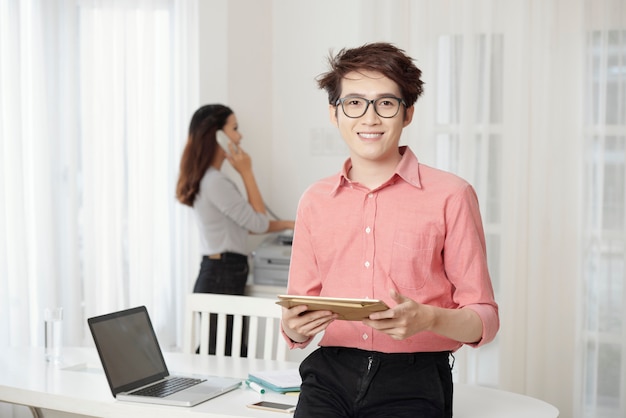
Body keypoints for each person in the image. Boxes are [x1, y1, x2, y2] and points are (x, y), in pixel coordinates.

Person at [280, 43, 499, 418]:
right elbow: (299, 307)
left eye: (385, 103)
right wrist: (295, 329)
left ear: (407, 112)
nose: (369, 118)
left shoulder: (452, 195)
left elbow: (484, 318)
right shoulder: (314, 200)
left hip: (414, 381)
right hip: (328, 376)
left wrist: (428, 319)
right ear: (334, 113)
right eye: (354, 103)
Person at [176, 104, 294, 355]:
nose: (240, 136)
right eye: (235, 129)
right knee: (224, 355)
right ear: (217, 135)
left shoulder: (209, 178)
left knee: (221, 352)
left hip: (220, 271)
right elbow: (258, 223)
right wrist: (247, 172)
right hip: (222, 273)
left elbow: (245, 224)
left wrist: (285, 224)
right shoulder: (216, 181)